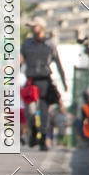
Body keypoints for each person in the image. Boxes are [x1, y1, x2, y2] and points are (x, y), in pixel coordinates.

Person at [20, 17, 67, 151]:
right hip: (31, 80)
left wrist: (64, 82)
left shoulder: (50, 44)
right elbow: (20, 60)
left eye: (35, 26)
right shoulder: (27, 44)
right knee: (30, 111)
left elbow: (58, 63)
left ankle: (44, 138)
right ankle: (33, 132)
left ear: (41, 27)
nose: (33, 28)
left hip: (45, 80)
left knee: (45, 111)